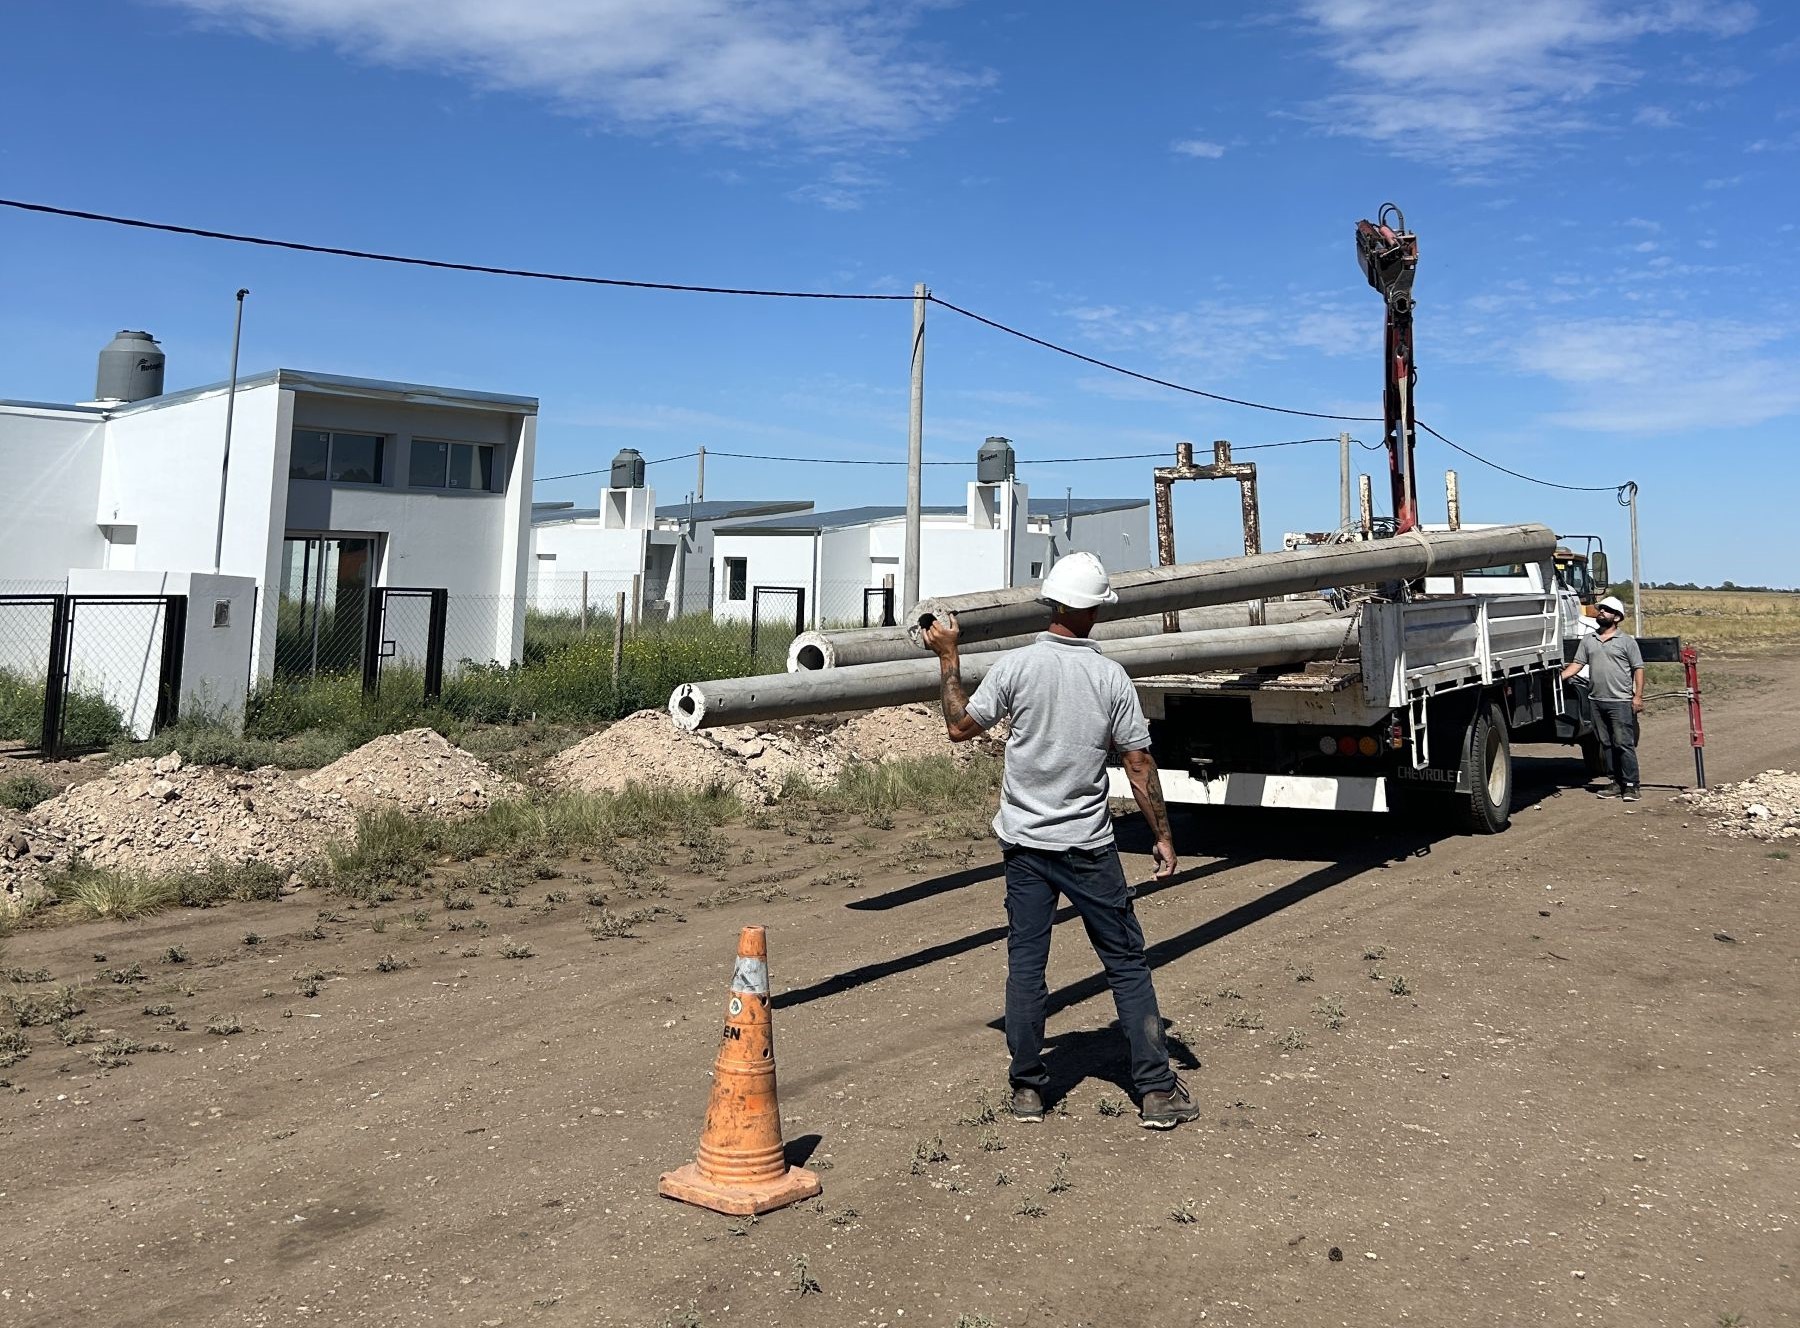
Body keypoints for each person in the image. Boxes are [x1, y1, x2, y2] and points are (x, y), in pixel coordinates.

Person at [922, 551, 1200, 1130]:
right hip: (1087, 847)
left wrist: (949, 656)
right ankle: (1155, 1091)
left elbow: (957, 726)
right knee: (1125, 964)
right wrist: (1163, 838)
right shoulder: (1110, 677)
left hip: (1025, 846)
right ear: (1094, 610)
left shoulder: (1017, 667)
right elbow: (1138, 764)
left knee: (1027, 965)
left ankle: (1028, 1088)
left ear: (1052, 602)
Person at [1560, 594, 1646, 802]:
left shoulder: (1626, 641)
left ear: (1617, 617)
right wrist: (1559, 678)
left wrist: (1638, 696)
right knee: (1605, 743)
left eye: (1607, 610)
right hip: (1596, 700)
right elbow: (1578, 664)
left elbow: (1638, 668)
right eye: (1601, 609)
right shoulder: (1589, 640)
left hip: (1620, 701)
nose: (1601, 612)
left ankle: (1631, 785)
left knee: (1623, 743)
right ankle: (1615, 782)